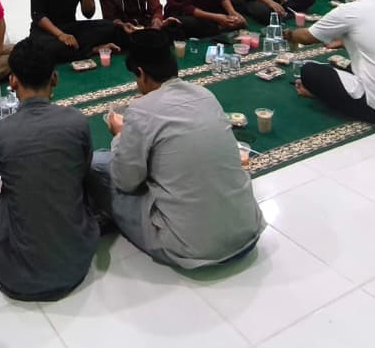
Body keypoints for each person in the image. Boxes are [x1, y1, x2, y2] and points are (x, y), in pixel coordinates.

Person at [89, 29, 265, 269]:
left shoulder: (141, 110)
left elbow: (125, 181)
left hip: (192, 249)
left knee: (97, 164)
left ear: (141, 73)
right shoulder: (205, 95)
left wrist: (120, 136)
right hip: (248, 230)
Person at [0, 40, 98, 300]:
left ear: (12, 82)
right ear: (55, 78)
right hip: (77, 262)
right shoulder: (78, 121)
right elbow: (83, 168)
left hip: (19, 274)